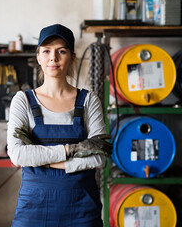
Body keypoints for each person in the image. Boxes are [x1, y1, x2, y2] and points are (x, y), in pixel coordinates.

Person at [6, 24, 112, 227]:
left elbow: (99, 156)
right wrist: (70, 150)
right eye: (46, 51)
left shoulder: (89, 101)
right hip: (33, 209)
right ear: (38, 57)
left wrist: (46, 161)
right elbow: (18, 155)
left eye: (61, 51)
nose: (53, 58)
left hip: (81, 210)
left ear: (72, 57)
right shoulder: (24, 101)